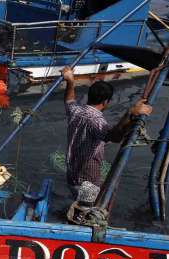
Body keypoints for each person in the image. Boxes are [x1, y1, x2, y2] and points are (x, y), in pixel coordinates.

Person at [61, 66, 152, 198]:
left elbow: (69, 100)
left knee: (79, 204)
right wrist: (129, 113)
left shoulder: (76, 112)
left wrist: (70, 81)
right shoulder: (97, 120)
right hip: (87, 180)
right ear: (105, 102)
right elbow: (114, 137)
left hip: (71, 176)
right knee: (88, 213)